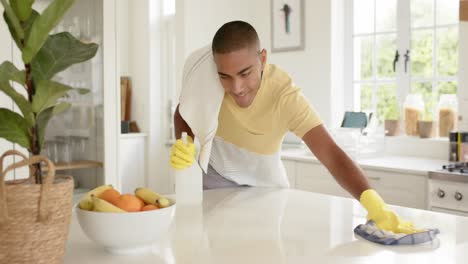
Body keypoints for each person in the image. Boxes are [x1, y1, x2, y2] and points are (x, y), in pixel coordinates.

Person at [170, 20, 421, 234]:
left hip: (264, 186)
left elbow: (331, 153)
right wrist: (186, 142)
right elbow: (183, 111)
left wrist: (373, 203)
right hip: (214, 176)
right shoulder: (204, 71)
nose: (236, 87)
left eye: (245, 73)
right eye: (225, 77)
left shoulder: (285, 96)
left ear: (263, 59)